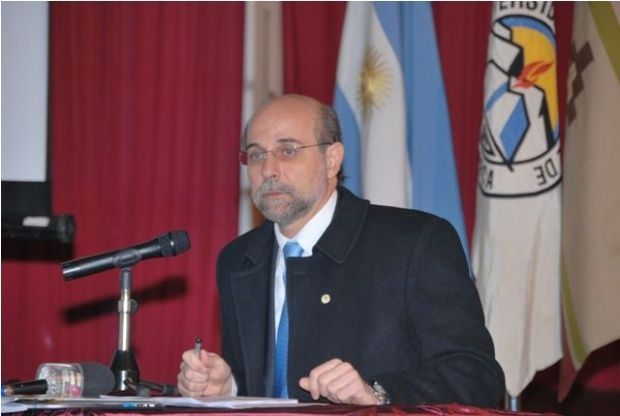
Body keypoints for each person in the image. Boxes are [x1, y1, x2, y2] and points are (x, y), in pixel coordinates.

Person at [177, 94, 505, 406]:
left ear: (332, 159)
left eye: (287, 151)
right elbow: (260, 383)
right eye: (257, 154)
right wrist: (228, 387)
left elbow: (477, 376)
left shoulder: (414, 242)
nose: (268, 170)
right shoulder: (238, 260)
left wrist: (377, 394)